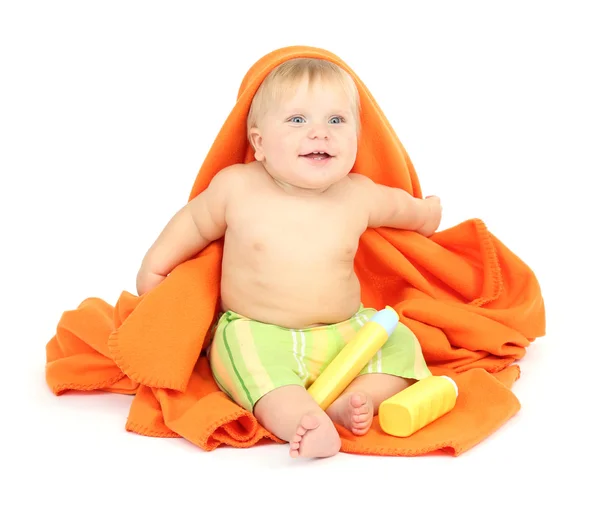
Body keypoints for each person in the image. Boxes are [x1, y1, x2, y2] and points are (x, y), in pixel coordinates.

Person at [135, 58, 442, 459]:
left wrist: (427, 214)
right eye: (297, 119)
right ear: (259, 143)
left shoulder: (358, 194)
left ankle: (352, 399)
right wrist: (155, 267)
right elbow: (192, 223)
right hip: (260, 333)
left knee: (400, 343)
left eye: (336, 120)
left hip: (345, 331)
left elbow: (404, 209)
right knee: (246, 363)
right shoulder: (237, 188)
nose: (320, 132)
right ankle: (300, 419)